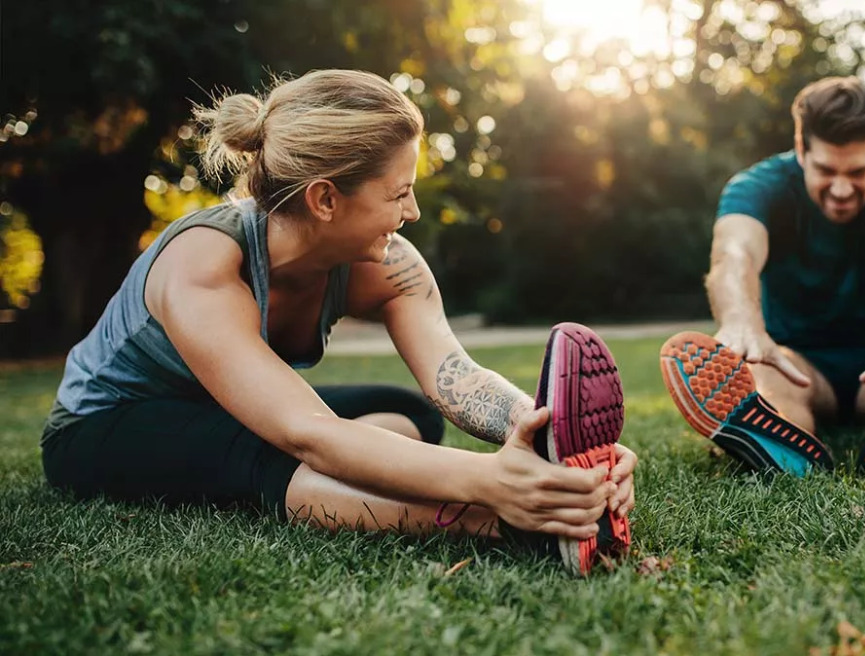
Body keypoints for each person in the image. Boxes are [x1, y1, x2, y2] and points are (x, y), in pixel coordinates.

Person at [39, 69, 636, 576]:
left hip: (226, 412)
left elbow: (453, 373)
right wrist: (494, 483)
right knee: (277, 452)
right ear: (325, 199)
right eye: (398, 193)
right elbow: (307, 431)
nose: (413, 211)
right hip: (105, 425)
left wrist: (553, 440)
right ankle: (502, 526)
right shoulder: (204, 264)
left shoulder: (385, 263)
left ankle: (349, 485)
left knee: (412, 416)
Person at [660, 77, 865, 481]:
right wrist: (742, 324)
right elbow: (734, 254)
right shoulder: (756, 186)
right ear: (801, 150)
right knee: (766, 379)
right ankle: (783, 440)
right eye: (824, 169)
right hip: (798, 363)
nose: (840, 188)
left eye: (858, 172)